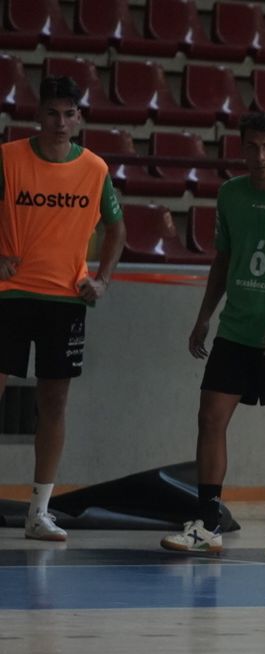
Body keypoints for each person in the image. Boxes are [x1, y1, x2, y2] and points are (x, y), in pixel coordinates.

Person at [160, 112, 265, 559]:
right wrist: (204, 316)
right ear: (241, 149)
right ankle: (208, 523)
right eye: (252, 147)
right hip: (236, 330)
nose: (260, 156)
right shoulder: (231, 195)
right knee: (210, 416)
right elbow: (223, 260)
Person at [0, 75, 126, 543]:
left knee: (53, 403)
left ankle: (39, 511)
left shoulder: (94, 169)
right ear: (37, 116)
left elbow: (116, 229)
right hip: (9, 293)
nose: (60, 122)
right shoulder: (8, 158)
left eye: (68, 114)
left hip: (65, 300)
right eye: (51, 112)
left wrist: (103, 279)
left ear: (80, 119)